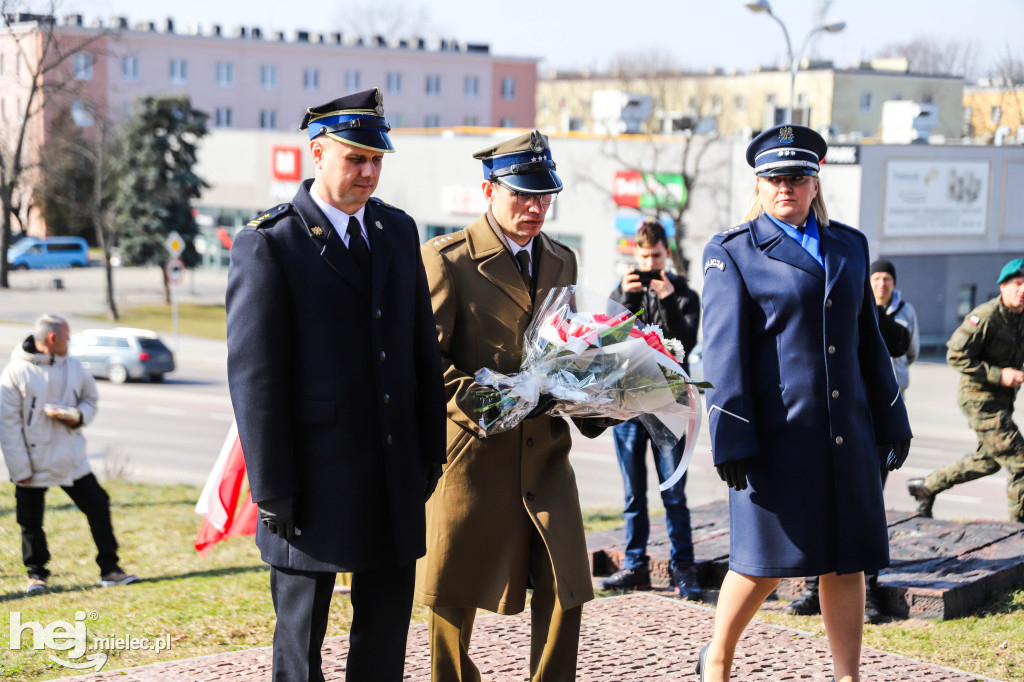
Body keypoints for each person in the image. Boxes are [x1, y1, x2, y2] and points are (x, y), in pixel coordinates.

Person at [226, 88, 446, 682]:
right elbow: (255, 379)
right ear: (318, 153)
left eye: (377, 160)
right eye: (356, 159)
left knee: (384, 639)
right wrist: (272, 486)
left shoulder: (397, 231)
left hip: (393, 469)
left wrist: (432, 450)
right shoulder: (270, 243)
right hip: (311, 480)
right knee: (300, 646)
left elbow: (420, 349)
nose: (369, 172)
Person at [698, 124, 912, 682]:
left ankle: (848, 676)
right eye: (774, 178)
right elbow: (723, 355)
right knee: (762, 564)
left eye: (796, 177)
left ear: (816, 181)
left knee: (846, 560)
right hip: (777, 440)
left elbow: (869, 339)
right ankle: (717, 655)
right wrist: (732, 434)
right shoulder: (733, 252)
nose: (785, 188)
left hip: (847, 435)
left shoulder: (850, 244)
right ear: (759, 183)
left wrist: (892, 417)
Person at [416, 130, 608, 681]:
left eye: (544, 195)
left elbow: (569, 348)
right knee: (452, 602)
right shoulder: (447, 259)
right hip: (474, 459)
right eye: (522, 194)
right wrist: (494, 403)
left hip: (546, 458)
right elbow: (426, 366)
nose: (535, 207)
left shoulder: (561, 260)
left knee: (565, 587)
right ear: (488, 190)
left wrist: (604, 392)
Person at [787, 258, 920, 623]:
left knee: (867, 508)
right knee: (820, 503)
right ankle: (813, 589)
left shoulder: (894, 313)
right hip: (836, 419)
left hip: (877, 419)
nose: (879, 284)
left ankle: (870, 594)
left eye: (884, 279)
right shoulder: (829, 306)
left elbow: (906, 347)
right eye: (874, 278)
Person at [600, 217, 702, 600]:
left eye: (655, 257)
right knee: (632, 493)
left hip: (670, 404)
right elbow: (608, 341)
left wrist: (667, 298)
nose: (648, 266)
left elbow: (684, 345)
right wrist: (626, 299)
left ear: (667, 254)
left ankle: (683, 566)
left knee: (673, 491)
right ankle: (635, 565)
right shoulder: (621, 290)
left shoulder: (685, 294)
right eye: (643, 258)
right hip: (627, 405)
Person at [0, 314, 138, 594]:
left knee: (98, 504)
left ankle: (110, 569)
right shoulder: (15, 372)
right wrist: (19, 470)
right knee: (30, 520)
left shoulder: (74, 366)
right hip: (32, 462)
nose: (70, 341)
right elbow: (8, 426)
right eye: (67, 336)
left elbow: (91, 399)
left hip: (71, 457)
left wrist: (78, 416)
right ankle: (37, 575)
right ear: (52, 339)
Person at [907, 258, 1024, 523]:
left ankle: (927, 486)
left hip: (1003, 401)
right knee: (1020, 459)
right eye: (1017, 284)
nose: (1022, 290)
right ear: (1003, 286)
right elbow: (956, 355)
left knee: (989, 461)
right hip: (979, 400)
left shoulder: (1021, 318)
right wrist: (999, 375)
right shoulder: (985, 317)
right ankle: (1019, 531)